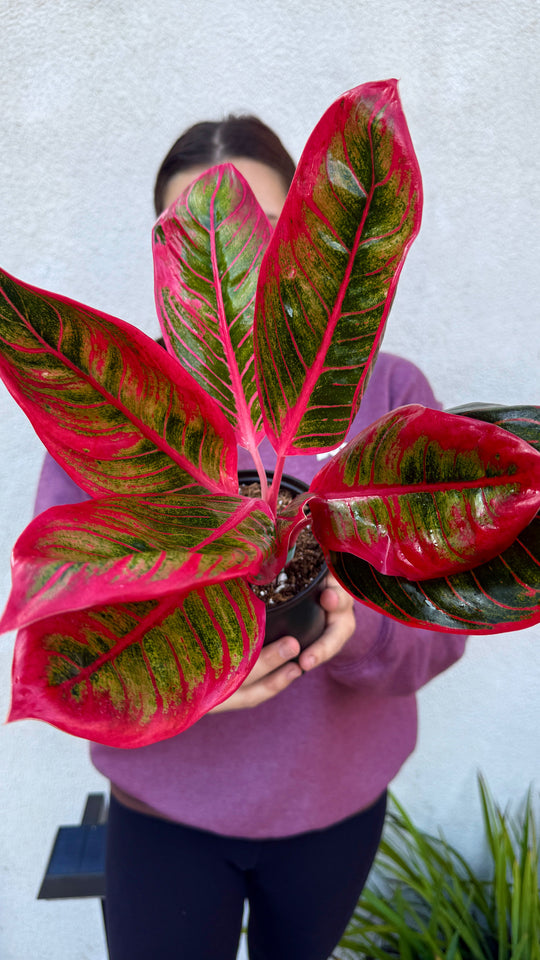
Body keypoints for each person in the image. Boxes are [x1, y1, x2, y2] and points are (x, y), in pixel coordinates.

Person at [34, 115, 467, 960]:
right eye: (188, 234)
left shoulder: (382, 390)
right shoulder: (121, 409)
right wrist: (181, 678)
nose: (223, 260)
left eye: (255, 235)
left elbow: (442, 631)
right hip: (165, 814)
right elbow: (70, 629)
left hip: (333, 807)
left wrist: (355, 625)